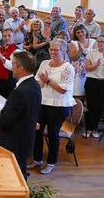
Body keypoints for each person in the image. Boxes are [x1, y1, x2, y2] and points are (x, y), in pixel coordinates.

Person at [0, 51, 41, 178]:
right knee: (19, 171)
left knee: (13, 174)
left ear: (20, 68)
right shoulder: (33, 84)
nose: (11, 67)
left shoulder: (21, 91)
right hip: (25, 137)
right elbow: (20, 112)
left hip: (14, 141)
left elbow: (6, 121)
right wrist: (4, 112)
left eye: (13, 64)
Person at [28, 39, 75, 175]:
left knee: (53, 133)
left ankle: (51, 162)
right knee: (37, 130)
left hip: (59, 105)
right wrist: (43, 82)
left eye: (56, 50)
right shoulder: (44, 63)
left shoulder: (67, 68)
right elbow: (38, 83)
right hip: (43, 102)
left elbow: (62, 89)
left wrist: (47, 80)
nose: (53, 52)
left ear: (63, 51)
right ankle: (37, 159)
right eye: (51, 49)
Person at [0, 28, 17, 98]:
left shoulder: (16, 50)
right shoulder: (0, 48)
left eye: (9, 36)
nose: (7, 38)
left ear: (13, 37)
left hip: (8, 81)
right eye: (4, 36)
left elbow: (12, 67)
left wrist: (1, 56)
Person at [69, 24, 95, 96]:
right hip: (78, 70)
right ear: (75, 34)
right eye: (78, 32)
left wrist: (84, 51)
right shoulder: (73, 43)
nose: (80, 34)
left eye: (82, 31)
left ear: (86, 31)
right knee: (77, 92)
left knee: (88, 92)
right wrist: (79, 50)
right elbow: (72, 58)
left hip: (90, 68)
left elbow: (95, 56)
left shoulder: (93, 42)